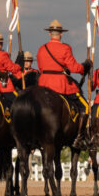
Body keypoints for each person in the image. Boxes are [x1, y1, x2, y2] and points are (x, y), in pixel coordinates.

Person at [36, 20, 91, 149]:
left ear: (49, 33)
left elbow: (40, 68)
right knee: (85, 107)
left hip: (43, 84)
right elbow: (74, 68)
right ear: (60, 34)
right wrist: (85, 66)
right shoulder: (65, 48)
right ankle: (79, 137)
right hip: (60, 84)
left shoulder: (41, 49)